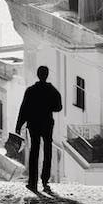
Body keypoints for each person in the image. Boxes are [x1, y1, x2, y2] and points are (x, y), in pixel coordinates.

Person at [15, 65, 62, 193]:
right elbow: (58, 107)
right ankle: (45, 179)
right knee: (47, 151)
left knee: (34, 151)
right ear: (47, 75)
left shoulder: (30, 90)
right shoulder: (52, 91)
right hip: (47, 124)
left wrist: (18, 126)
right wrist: (48, 107)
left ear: (38, 74)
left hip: (34, 124)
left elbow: (23, 109)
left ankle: (32, 182)